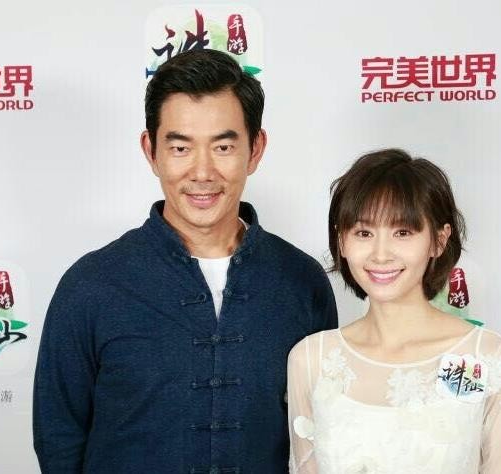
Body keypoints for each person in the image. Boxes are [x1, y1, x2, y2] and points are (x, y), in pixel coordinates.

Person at [33, 49, 337, 473]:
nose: (202, 172)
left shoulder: (302, 281)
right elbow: (59, 441)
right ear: (151, 150)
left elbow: (319, 433)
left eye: (224, 146)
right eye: (180, 147)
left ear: (255, 149)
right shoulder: (90, 285)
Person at [287, 149, 501, 473]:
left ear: (439, 240)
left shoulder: (488, 357)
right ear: (341, 241)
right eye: (363, 233)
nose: (380, 254)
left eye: (402, 233)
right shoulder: (311, 359)